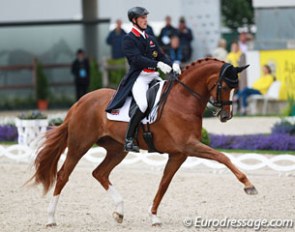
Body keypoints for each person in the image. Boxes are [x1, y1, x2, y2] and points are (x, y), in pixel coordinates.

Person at [105, 7, 181, 152]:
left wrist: (173, 64)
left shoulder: (150, 39)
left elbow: (161, 55)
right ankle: (128, 139)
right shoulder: (128, 39)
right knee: (143, 105)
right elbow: (136, 59)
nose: (145, 20)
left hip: (153, 76)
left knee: (168, 98)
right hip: (139, 77)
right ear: (134, 20)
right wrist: (157, 64)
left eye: (146, 17)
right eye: (142, 18)